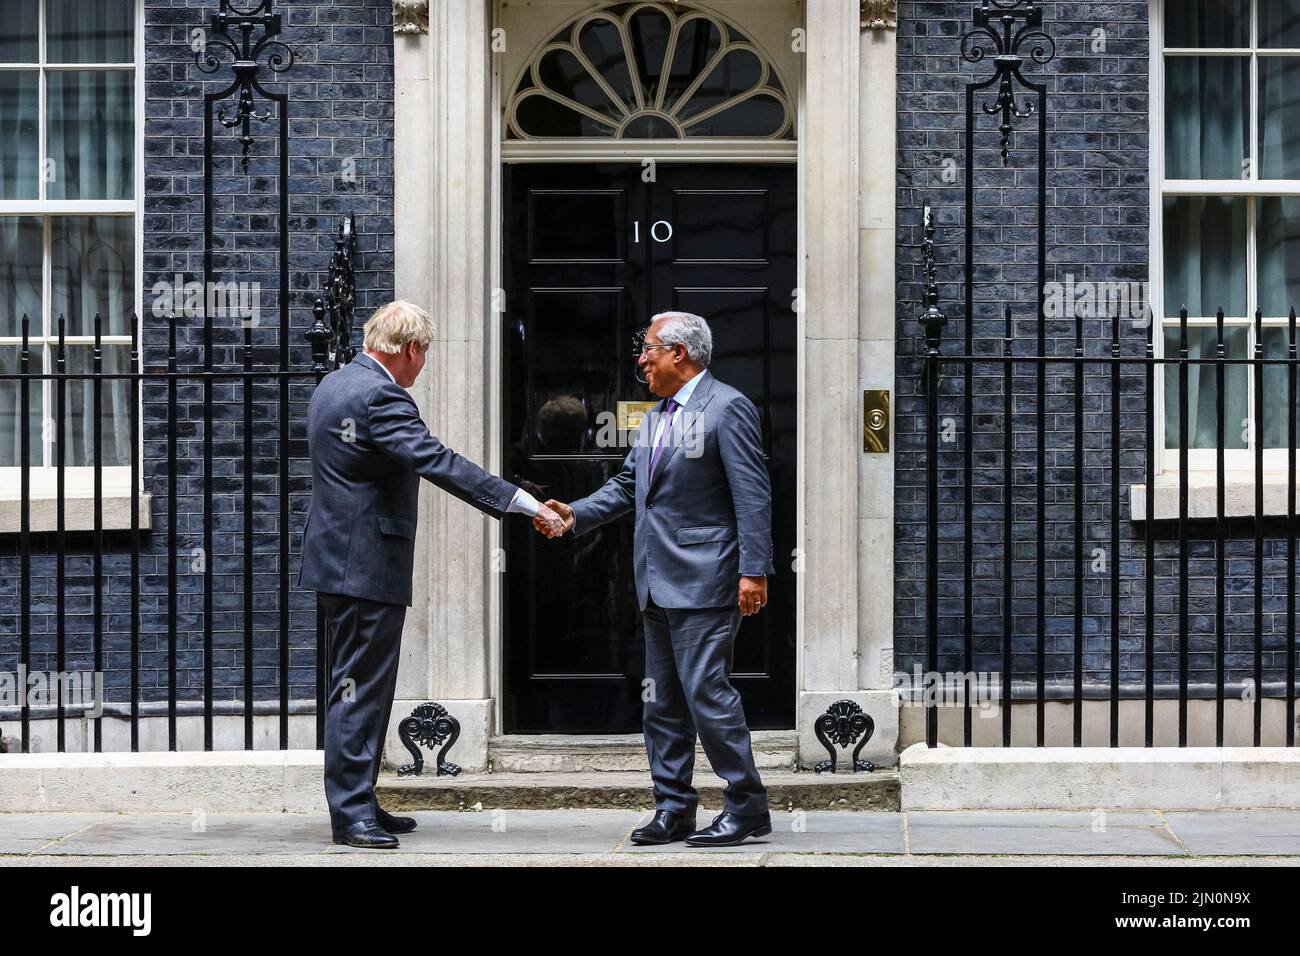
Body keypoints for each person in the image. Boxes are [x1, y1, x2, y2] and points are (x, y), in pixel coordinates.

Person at [299, 300, 564, 848]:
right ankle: (351, 814)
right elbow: (437, 461)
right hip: (363, 564)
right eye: (425, 355)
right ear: (411, 347)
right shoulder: (380, 396)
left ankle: (360, 799)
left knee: (358, 686)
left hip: (339, 561)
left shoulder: (335, 384)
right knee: (359, 690)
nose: (423, 369)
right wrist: (521, 502)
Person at [536, 311, 774, 847]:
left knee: (706, 692)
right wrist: (573, 514)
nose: (640, 359)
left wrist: (754, 571)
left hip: (708, 579)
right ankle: (674, 807)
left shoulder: (727, 408)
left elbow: (752, 496)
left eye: (647, 350)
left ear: (679, 354)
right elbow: (626, 485)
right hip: (656, 580)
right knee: (662, 702)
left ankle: (747, 804)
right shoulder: (655, 415)